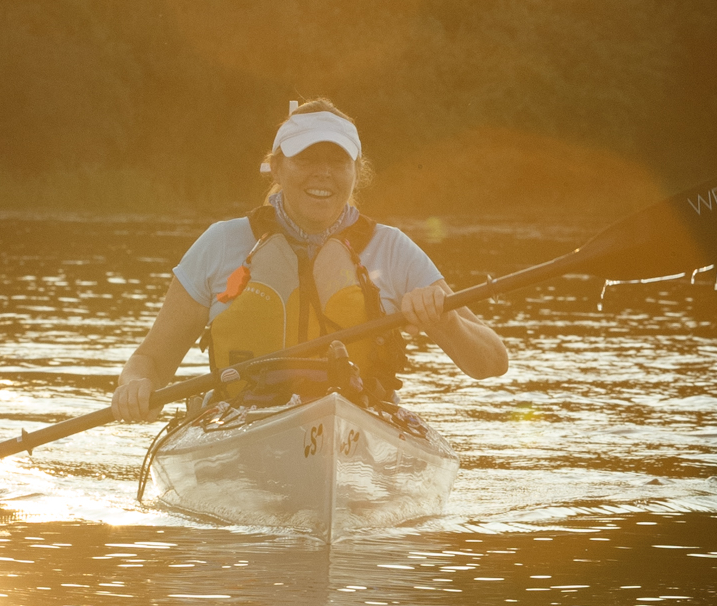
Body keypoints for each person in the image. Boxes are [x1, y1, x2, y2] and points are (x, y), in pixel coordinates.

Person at [112, 98, 508, 420]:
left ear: (356, 172)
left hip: (359, 421)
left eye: (337, 162)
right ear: (279, 167)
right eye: (306, 159)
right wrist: (136, 385)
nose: (323, 173)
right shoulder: (221, 243)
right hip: (240, 423)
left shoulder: (393, 249)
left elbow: (491, 363)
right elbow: (151, 360)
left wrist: (447, 322)